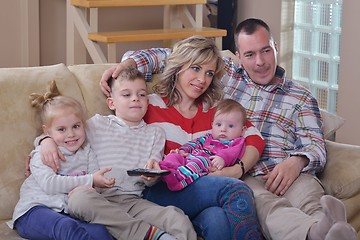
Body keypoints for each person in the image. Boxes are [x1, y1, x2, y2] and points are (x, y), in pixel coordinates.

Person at [99, 19, 357, 240]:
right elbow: (173, 56)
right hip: (243, 176)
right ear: (238, 56)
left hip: (285, 169)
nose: (260, 62)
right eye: (249, 54)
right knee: (261, 201)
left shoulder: (298, 96)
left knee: (311, 201)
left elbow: (312, 144)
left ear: (276, 48)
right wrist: (126, 66)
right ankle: (314, 233)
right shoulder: (228, 75)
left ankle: (328, 229)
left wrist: (297, 161)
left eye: (266, 51)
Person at [39, 36, 265, 240]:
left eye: (208, 73)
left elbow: (253, 137)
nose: (201, 79)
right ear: (177, 68)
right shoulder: (150, 104)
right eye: (195, 68)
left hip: (199, 190)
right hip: (165, 190)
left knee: (217, 220)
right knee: (235, 190)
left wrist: (238, 168)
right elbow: (72, 128)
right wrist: (44, 141)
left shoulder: (215, 111)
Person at [36, 68, 197, 240]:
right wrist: (44, 141)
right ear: (111, 103)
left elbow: (152, 173)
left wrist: (152, 177)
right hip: (98, 197)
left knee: (177, 218)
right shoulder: (97, 124)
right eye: (126, 95)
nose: (135, 98)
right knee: (79, 199)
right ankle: (145, 234)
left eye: (142, 94)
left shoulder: (155, 133)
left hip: (132, 201)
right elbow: (66, 134)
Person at [8, 80, 115, 240]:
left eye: (76, 126)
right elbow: (50, 185)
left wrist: (92, 186)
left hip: (67, 211)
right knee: (66, 227)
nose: (71, 134)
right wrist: (90, 180)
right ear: (47, 131)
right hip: (34, 211)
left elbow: (96, 185)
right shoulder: (43, 153)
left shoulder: (87, 152)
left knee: (101, 231)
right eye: (61, 129)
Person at [160, 98, 247, 191]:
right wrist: (183, 150)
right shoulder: (207, 137)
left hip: (209, 163)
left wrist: (222, 158)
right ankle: (166, 170)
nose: (223, 129)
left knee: (200, 161)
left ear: (243, 130)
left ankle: (178, 179)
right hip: (190, 158)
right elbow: (195, 143)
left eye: (230, 126)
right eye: (218, 125)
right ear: (212, 125)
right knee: (174, 155)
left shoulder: (237, 142)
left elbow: (232, 152)